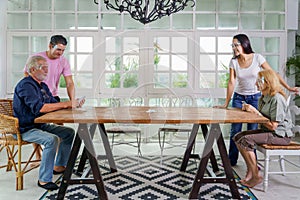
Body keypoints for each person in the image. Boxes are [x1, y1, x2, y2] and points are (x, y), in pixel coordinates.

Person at [215, 33, 299, 166]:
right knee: (235, 130)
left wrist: (288, 87)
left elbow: (273, 74)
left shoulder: (257, 58)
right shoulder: (234, 62)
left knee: (253, 127)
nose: (234, 48)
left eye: (236, 44)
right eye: (232, 45)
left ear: (244, 44)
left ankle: (252, 164)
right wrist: (226, 103)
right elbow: (231, 82)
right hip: (239, 97)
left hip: (256, 97)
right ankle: (231, 161)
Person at [14, 55, 84, 190]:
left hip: (39, 125)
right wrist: (66, 104)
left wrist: (72, 104)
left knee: (68, 132)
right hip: (24, 129)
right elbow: (41, 108)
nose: (47, 71)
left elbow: (53, 103)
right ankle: (44, 180)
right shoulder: (25, 85)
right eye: (44, 68)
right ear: (33, 69)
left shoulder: (43, 86)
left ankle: (59, 166)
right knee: (51, 140)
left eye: (47, 67)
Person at [233, 69, 294, 188]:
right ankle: (251, 171)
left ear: (268, 82)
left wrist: (255, 112)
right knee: (238, 137)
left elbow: (273, 125)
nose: (256, 83)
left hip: (280, 135)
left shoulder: (277, 99)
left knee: (246, 140)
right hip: (269, 131)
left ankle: (256, 175)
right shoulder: (264, 97)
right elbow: (262, 118)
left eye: (259, 81)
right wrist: (249, 110)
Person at [24, 35, 75, 161]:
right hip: (37, 97)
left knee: (61, 126)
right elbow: (27, 75)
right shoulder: (37, 58)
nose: (60, 53)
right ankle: (38, 157)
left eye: (63, 50)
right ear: (50, 46)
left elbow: (69, 82)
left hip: (52, 96)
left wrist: (72, 101)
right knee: (36, 125)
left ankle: (60, 159)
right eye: (58, 49)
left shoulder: (63, 61)